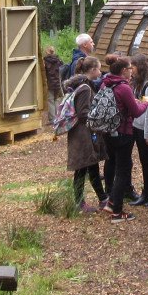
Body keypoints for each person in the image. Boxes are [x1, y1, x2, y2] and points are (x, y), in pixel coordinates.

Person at [96, 56, 147, 221]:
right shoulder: (124, 87)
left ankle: (110, 199)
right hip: (123, 132)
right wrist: (146, 104)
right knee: (123, 170)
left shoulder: (106, 83)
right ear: (124, 70)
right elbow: (136, 112)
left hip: (107, 131)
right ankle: (116, 210)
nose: (132, 71)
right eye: (130, 68)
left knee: (111, 164)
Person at [63, 57, 106, 212]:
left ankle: (102, 199)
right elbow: (83, 113)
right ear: (93, 70)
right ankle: (79, 203)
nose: (100, 73)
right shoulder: (85, 88)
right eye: (99, 69)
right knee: (82, 168)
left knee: (91, 165)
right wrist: (98, 118)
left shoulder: (81, 85)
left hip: (83, 132)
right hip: (83, 133)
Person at [128, 53, 148, 207]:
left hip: (144, 129)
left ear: (139, 67)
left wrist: (147, 133)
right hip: (136, 126)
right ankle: (145, 193)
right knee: (143, 161)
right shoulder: (137, 84)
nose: (130, 70)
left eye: (132, 67)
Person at [43, 45, 64, 125]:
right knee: (56, 99)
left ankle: (52, 119)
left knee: (50, 100)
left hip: (50, 83)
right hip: (58, 83)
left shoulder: (45, 61)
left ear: (46, 52)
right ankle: (58, 117)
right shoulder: (59, 60)